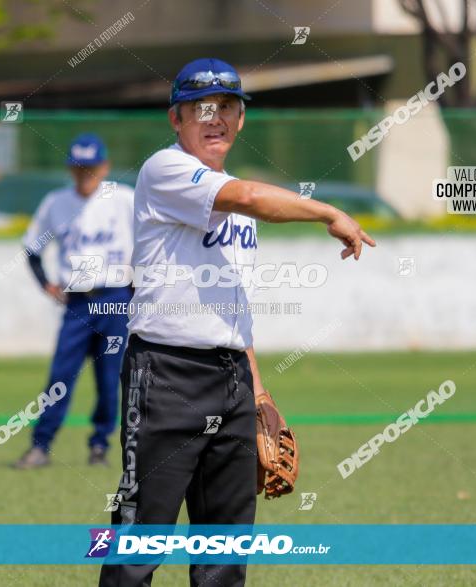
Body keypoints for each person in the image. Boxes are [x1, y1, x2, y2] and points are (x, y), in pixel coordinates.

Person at [99, 58, 375, 586]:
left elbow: (236, 306)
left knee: (225, 553)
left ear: (241, 119)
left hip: (231, 380)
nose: (215, 117)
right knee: (138, 545)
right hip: (165, 376)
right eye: (201, 107)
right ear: (175, 118)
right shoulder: (166, 170)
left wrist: (258, 391)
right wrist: (329, 213)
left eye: (227, 106)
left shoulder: (236, 199)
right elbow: (250, 197)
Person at [15, 133, 135, 469]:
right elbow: (32, 249)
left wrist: (139, 287)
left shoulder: (124, 199)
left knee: (111, 379)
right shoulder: (56, 202)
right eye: (79, 167)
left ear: (105, 166)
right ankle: (41, 445)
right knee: (60, 376)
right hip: (78, 301)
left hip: (115, 298)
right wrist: (46, 285)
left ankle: (101, 445)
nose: (85, 174)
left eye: (91, 167)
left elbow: (151, 242)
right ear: (70, 169)